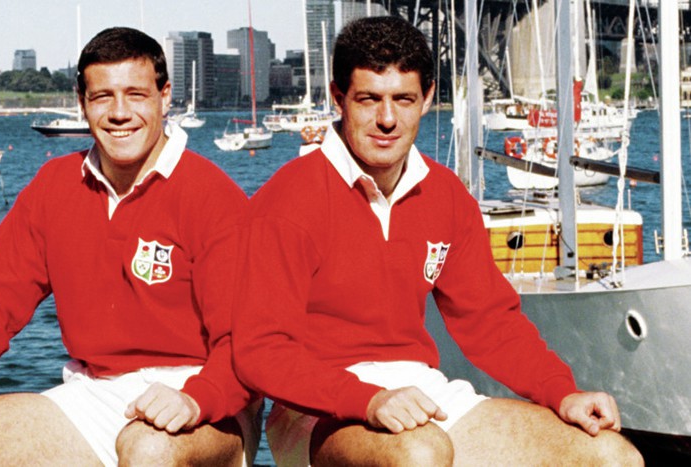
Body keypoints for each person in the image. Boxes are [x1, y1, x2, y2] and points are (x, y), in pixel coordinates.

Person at [231, 16, 642, 466]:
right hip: (314, 409)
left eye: (403, 99)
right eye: (369, 99)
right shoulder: (289, 200)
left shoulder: (445, 194)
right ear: (338, 97)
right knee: (419, 453)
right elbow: (260, 351)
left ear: (427, 97)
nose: (387, 119)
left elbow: (491, 323)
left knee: (611, 456)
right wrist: (366, 399)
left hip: (421, 391)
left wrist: (562, 392)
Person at [0, 27, 259, 466]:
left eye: (136, 95)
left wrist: (199, 397)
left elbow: (245, 340)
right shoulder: (55, 187)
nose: (119, 113)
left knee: (148, 449)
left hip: (206, 400)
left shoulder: (212, 196)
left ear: (164, 97)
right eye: (102, 97)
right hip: (94, 394)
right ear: (82, 104)